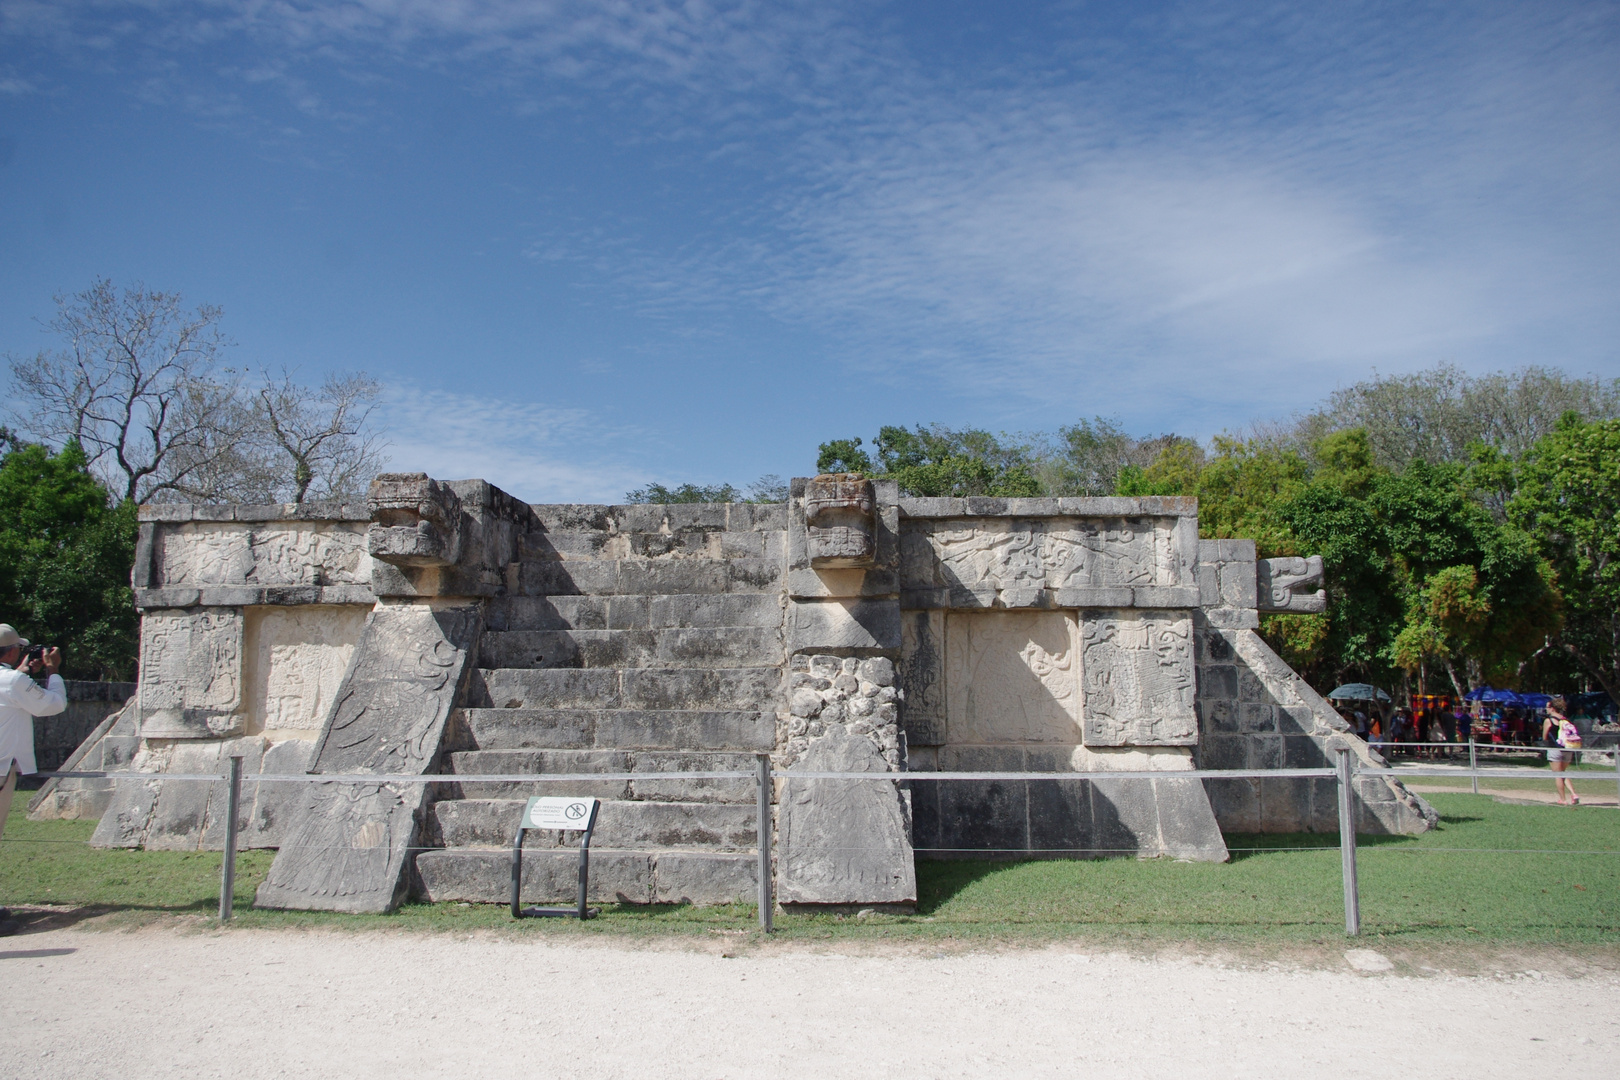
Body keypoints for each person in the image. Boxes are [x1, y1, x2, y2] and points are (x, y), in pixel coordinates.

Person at [0, 624, 66, 936]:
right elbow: (52, 705)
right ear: (12, 651)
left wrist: (24, 672)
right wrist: (52, 672)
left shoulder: (14, 678)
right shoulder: (13, 681)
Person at [1542, 695, 1582, 806]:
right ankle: (1574, 794)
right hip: (1568, 749)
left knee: (1558, 775)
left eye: (1547, 708)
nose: (1546, 710)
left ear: (1552, 708)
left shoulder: (1548, 720)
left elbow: (1545, 737)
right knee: (1562, 772)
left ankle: (1563, 799)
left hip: (1555, 749)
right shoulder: (1565, 720)